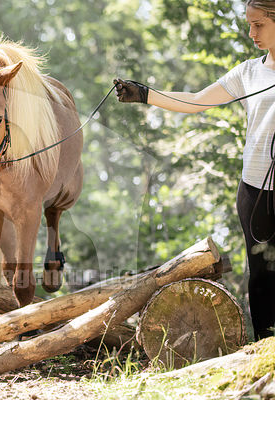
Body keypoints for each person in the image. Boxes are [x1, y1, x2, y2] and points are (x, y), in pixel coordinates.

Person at [113, 0, 275, 340]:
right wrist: (145, 94)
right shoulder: (249, 72)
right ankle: (265, 349)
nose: (251, 33)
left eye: (258, 24)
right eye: (249, 24)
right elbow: (197, 100)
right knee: (261, 275)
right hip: (255, 193)